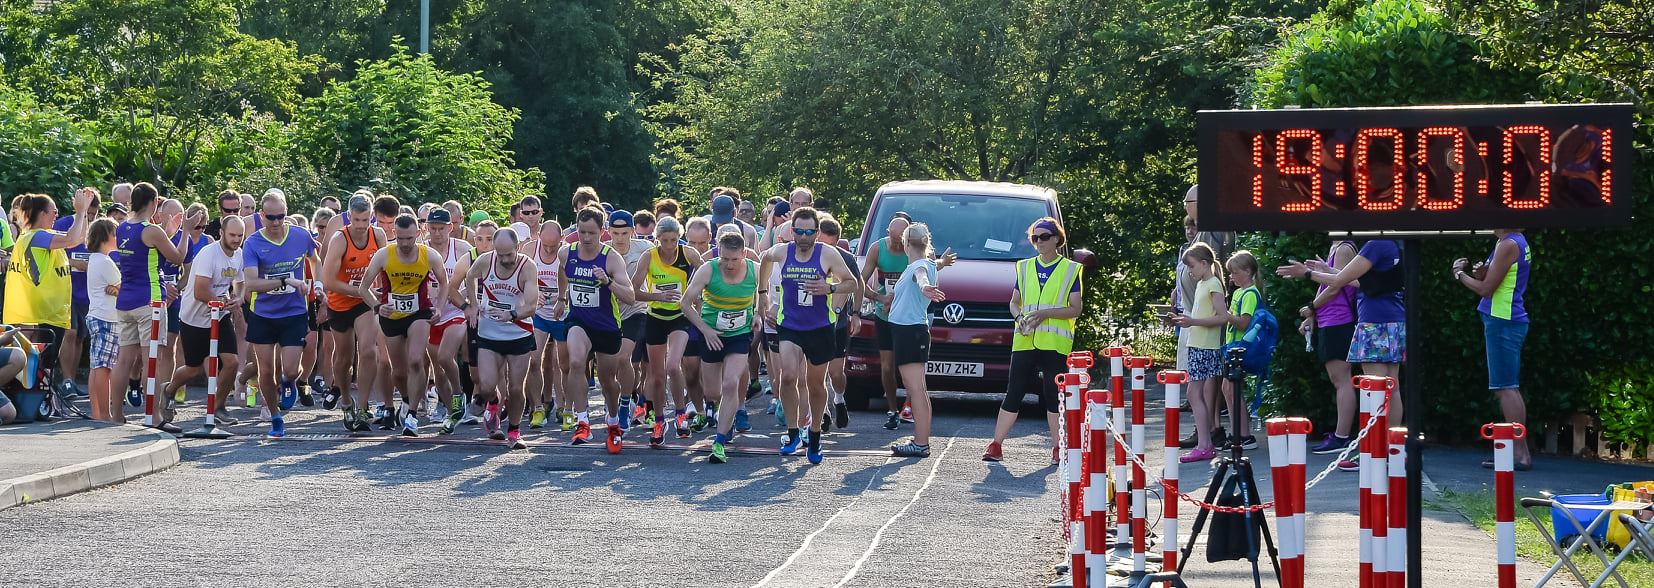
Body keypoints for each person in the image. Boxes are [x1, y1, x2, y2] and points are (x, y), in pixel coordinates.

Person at [1291, 239, 1405, 471]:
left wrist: (1307, 273)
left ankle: (1375, 454)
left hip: (1375, 323)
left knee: (1376, 391)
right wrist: (1327, 270)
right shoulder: (1394, 244)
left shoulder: (1375, 244)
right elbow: (1361, 281)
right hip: (1395, 320)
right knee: (1392, 389)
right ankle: (1392, 451)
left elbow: (1340, 281)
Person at [756, 206, 857, 464]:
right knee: (788, 377)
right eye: (798, 231)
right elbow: (765, 259)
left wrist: (830, 287)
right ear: (792, 231)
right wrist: (763, 294)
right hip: (789, 324)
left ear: (816, 232)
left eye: (808, 232)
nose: (803, 236)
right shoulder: (782, 251)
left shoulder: (828, 254)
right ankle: (792, 434)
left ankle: (814, 435)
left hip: (820, 327)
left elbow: (852, 283)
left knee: (815, 384)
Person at [983, 218, 1084, 463]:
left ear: (1057, 239)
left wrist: (1045, 314)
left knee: (1052, 394)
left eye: (1044, 237)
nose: (1038, 242)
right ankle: (996, 444)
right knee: (1013, 392)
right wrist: (1019, 318)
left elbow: (1076, 309)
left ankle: (1058, 447)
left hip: (1054, 343)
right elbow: (1014, 301)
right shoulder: (1025, 266)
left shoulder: (1071, 269)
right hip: (1025, 339)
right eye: (1034, 238)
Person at [108, 184, 200, 433]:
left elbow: (145, 256)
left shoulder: (123, 227)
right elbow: (178, 258)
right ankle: (155, 415)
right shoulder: (151, 230)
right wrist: (185, 232)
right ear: (155, 202)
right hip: (150, 301)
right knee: (153, 359)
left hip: (125, 300)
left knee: (124, 360)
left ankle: (115, 414)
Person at [553, 206, 637, 452]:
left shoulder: (611, 258)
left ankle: (612, 422)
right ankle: (582, 422)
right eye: (582, 232)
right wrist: (561, 298)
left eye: (591, 233)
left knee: (607, 380)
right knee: (576, 363)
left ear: (602, 232)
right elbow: (562, 271)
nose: (586, 238)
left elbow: (630, 296)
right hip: (578, 320)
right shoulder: (566, 253)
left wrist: (608, 281)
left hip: (606, 325)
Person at [240, 190, 320, 438]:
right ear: (261, 215)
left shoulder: (301, 236)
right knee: (265, 370)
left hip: (294, 311)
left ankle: (290, 382)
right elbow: (251, 283)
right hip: (263, 313)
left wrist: (317, 285)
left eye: (281, 217)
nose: (276, 223)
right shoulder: (253, 242)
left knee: (291, 369)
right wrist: (286, 280)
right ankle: (274, 417)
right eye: (271, 217)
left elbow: (315, 260)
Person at [360, 214, 447, 437]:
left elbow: (444, 282)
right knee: (398, 372)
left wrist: (439, 308)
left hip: (419, 313)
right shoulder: (384, 255)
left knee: (416, 361)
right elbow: (364, 288)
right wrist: (378, 307)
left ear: (418, 234)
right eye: (400, 239)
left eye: (409, 239)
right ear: (394, 236)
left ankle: (413, 415)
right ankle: (407, 400)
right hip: (392, 315)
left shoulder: (429, 255)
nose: (405, 244)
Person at [1455, 230, 1532, 470]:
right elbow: (1495, 278)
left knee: (1505, 387)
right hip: (1504, 319)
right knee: (1508, 387)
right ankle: (1520, 452)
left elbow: (1485, 289)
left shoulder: (1508, 243)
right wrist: (1481, 273)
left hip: (1503, 320)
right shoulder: (1508, 241)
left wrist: (1459, 274)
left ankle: (1520, 455)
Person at [160, 215, 245, 429]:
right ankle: (169, 390)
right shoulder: (209, 254)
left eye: (240, 236)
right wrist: (219, 301)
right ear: (222, 233)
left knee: (232, 362)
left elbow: (240, 282)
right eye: (232, 235)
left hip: (220, 315)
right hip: (194, 317)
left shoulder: (239, 254)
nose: (236, 239)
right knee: (193, 368)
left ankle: (218, 407)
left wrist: (238, 298)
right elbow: (200, 291)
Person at [1275, 238, 1359, 455]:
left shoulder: (1343, 249)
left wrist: (1312, 307)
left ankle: (1342, 437)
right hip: (1330, 320)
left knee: (1342, 380)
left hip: (1341, 320)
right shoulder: (1335, 246)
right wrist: (1313, 315)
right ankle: (1342, 435)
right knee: (1338, 379)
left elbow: (1336, 285)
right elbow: (1326, 284)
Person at [682, 228, 759, 463]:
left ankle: (720, 441)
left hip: (739, 334)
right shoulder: (708, 269)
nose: (729, 264)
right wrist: (705, 330)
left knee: (731, 383)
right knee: (713, 392)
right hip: (711, 334)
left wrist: (758, 313)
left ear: (744, 254)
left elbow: (765, 294)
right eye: (725, 258)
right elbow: (685, 303)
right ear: (719, 252)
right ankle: (725, 412)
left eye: (735, 259)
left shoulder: (755, 270)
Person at [460, 227, 538, 450]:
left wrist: (512, 314)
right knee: (485, 386)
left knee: (515, 388)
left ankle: (514, 430)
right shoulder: (486, 261)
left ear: (517, 248)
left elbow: (532, 306)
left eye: (508, 254)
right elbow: (470, 276)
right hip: (489, 333)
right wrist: (473, 304)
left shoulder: (527, 267)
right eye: (500, 254)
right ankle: (493, 403)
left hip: (518, 333)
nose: (504, 259)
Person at [5, 189, 96, 381]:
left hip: (50, 312)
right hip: (40, 313)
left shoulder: (46, 234)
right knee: (40, 365)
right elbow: (71, 240)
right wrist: (79, 213)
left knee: (44, 364)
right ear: (41, 213)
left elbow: (79, 238)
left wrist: (84, 211)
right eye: (53, 211)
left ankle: (42, 399)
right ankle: (34, 403)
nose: (56, 215)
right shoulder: (35, 237)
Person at [633, 216, 703, 446]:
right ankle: (659, 421)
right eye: (664, 240)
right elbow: (633, 292)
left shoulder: (688, 254)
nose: (669, 245)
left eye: (673, 240)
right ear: (657, 239)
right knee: (657, 374)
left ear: (679, 238)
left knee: (673, 365)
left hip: (679, 317)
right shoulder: (649, 256)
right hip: (655, 317)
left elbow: (707, 276)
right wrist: (657, 296)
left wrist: (696, 301)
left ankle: (681, 415)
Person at [319, 194, 386, 431]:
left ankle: (363, 406)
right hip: (340, 302)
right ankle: (346, 401)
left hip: (364, 302)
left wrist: (382, 293)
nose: (361, 226)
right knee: (343, 357)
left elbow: (386, 268)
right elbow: (328, 281)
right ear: (349, 217)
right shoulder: (340, 239)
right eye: (357, 220)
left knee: (369, 351)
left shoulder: (378, 236)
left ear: (372, 218)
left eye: (365, 220)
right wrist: (362, 290)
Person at [881, 223, 947, 458]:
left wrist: (926, 286)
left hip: (910, 332)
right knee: (919, 388)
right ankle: (921, 440)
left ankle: (921, 443)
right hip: (910, 330)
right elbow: (927, 268)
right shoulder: (926, 263)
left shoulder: (919, 266)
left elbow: (921, 277)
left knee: (915, 389)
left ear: (907, 244)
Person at [1170, 243, 1227, 463]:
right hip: (1199, 344)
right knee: (1195, 394)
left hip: (1205, 346)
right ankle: (1205, 442)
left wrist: (1193, 321)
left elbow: (1222, 316)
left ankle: (1205, 444)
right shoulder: (1205, 283)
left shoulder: (1213, 284)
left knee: (1195, 394)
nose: (1190, 272)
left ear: (1205, 264)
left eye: (1192, 266)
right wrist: (1186, 322)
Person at [862, 212, 916, 429]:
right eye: (894, 240)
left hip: (908, 317)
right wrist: (879, 297)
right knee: (887, 367)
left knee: (909, 364)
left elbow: (927, 274)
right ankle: (892, 409)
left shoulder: (914, 249)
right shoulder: (877, 248)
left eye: (901, 240)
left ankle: (910, 405)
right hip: (884, 314)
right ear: (888, 235)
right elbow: (860, 281)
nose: (897, 244)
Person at [423, 208, 473, 434]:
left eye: (441, 228)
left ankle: (458, 394)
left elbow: (477, 276)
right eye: (432, 228)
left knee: (445, 356)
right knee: (438, 367)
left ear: (450, 227)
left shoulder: (462, 249)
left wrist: (466, 299)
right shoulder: (421, 250)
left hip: (456, 311)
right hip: (431, 313)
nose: (437, 233)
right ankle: (451, 411)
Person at [605, 210, 654, 428]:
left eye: (625, 233)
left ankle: (625, 405)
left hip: (637, 310)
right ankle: (619, 399)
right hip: (608, 314)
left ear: (633, 232)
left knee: (624, 359)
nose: (620, 238)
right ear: (608, 232)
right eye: (615, 233)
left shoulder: (644, 249)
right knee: (610, 365)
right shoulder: (602, 252)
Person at [817, 217, 862, 432]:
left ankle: (839, 399)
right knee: (816, 373)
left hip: (837, 323)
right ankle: (822, 412)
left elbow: (857, 286)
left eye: (830, 245)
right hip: (812, 324)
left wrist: (856, 314)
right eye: (822, 243)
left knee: (835, 372)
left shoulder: (845, 259)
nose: (826, 249)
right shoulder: (806, 257)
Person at [1221, 251, 1263, 448]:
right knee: (1227, 389)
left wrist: (1225, 314)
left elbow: (1244, 323)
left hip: (1241, 348)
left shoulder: (1250, 293)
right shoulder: (1238, 292)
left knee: (1233, 388)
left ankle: (1243, 434)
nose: (1231, 277)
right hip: (1232, 347)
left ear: (1247, 271)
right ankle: (1236, 432)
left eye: (1234, 272)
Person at [527, 219, 565, 429]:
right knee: (533, 360)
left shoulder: (567, 254)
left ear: (562, 239)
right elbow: (519, 280)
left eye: (554, 245)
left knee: (563, 364)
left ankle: (563, 406)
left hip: (562, 314)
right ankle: (538, 408)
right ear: (539, 237)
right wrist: (533, 294)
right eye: (546, 245)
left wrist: (562, 298)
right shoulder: (529, 250)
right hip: (539, 314)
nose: (549, 249)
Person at [84, 219, 123, 423]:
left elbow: (116, 287)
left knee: (96, 365)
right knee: (104, 367)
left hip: (97, 314)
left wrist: (115, 289)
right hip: (106, 317)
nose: (118, 237)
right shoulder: (106, 262)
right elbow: (123, 287)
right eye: (115, 233)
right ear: (105, 235)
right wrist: (117, 289)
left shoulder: (96, 259)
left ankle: (97, 412)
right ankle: (105, 415)